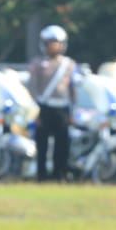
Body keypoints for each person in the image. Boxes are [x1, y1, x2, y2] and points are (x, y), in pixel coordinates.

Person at [29, 25, 77, 181]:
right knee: (41, 145)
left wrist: (72, 112)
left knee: (62, 144)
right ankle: (41, 175)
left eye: (56, 43)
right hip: (43, 107)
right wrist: (34, 111)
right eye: (50, 43)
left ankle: (59, 174)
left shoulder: (69, 64)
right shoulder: (37, 64)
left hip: (62, 108)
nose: (53, 46)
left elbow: (72, 90)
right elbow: (33, 88)